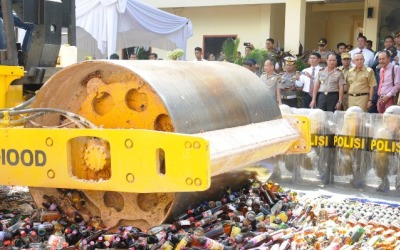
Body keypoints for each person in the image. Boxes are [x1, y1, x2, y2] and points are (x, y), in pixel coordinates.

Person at [373, 105, 400, 192]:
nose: (389, 123)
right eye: (388, 120)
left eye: (392, 120)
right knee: (378, 155)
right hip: (389, 161)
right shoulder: (382, 132)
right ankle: (383, 180)